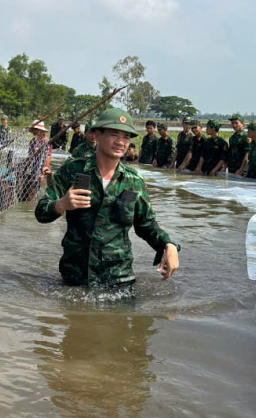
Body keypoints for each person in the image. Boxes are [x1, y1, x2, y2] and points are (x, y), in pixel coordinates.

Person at [35, 107, 180, 287]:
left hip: (119, 279)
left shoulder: (134, 181)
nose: (121, 142)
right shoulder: (73, 170)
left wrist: (168, 245)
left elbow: (146, 225)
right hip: (75, 277)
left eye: (126, 137)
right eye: (114, 135)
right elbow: (41, 211)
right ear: (97, 135)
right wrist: (61, 204)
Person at [19, 120, 53, 201]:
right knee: (24, 193)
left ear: (40, 131)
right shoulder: (33, 141)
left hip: (40, 169)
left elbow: (48, 156)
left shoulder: (46, 142)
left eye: (35, 130)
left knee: (33, 193)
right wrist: (24, 168)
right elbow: (30, 156)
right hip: (32, 170)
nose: (33, 132)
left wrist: (44, 170)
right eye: (33, 130)